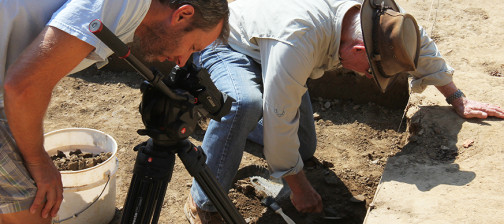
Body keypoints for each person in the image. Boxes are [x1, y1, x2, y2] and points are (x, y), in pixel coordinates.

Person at [184, 0, 504, 223]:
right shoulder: (299, 40)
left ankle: (219, 119)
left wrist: (456, 96)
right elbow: (280, 119)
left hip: (270, 53)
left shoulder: (379, 18)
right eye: (370, 71)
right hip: (228, 44)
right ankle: (203, 201)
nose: (367, 77)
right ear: (358, 49)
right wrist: (300, 188)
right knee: (247, 103)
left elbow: (417, 43)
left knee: (304, 149)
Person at [0, 0, 229, 223]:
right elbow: (24, 87)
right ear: (182, 14)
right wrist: (38, 163)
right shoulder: (123, 4)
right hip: (10, 91)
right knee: (34, 212)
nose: (182, 61)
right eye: (192, 47)